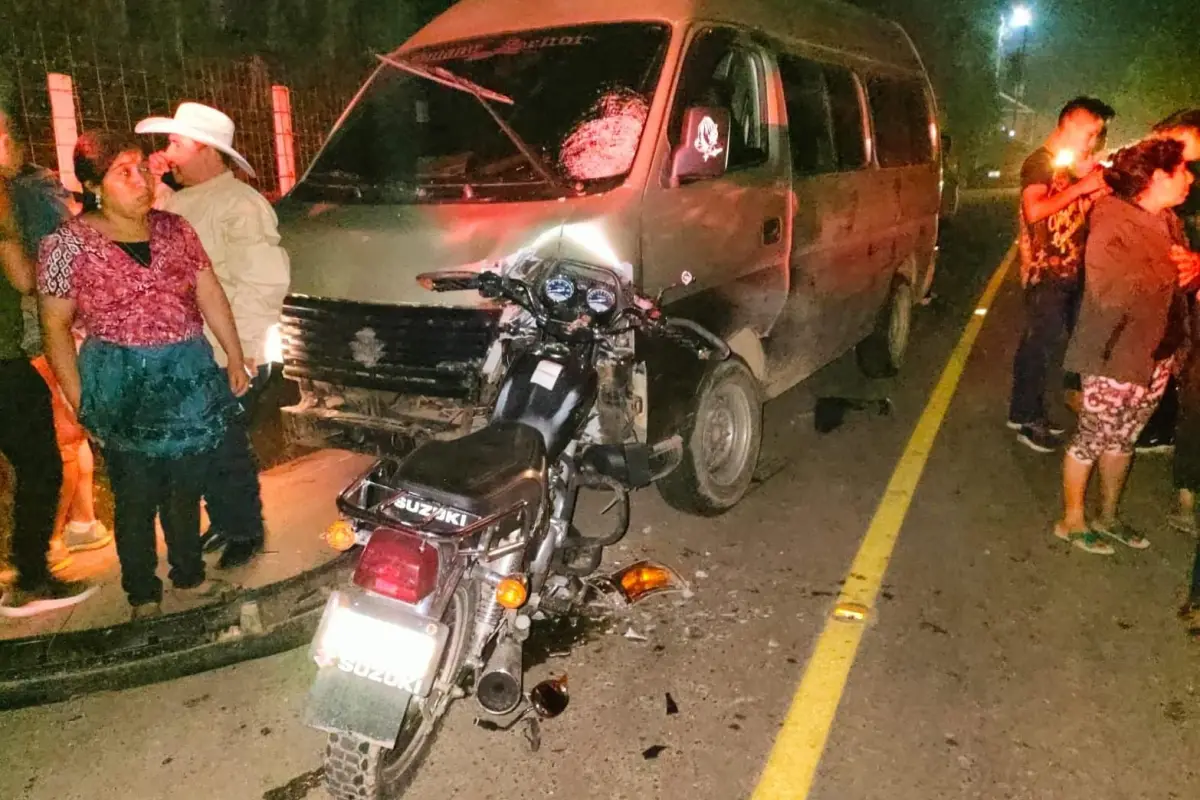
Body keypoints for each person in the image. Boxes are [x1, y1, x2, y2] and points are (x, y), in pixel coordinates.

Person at [37, 131, 250, 619]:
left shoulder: (176, 229)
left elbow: (209, 293)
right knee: (135, 493)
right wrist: (79, 399)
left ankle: (189, 575)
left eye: (143, 168)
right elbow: (54, 325)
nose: (142, 180)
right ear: (93, 185)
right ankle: (141, 592)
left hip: (186, 377)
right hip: (121, 382)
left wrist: (233, 357)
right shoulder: (65, 245)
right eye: (123, 172)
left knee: (184, 485)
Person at [136, 103, 290, 569]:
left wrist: (236, 356)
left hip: (224, 353)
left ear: (203, 148)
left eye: (176, 144)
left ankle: (242, 528)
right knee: (200, 445)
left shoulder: (239, 204)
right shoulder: (179, 201)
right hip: (186, 350)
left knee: (222, 447)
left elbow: (262, 285)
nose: (167, 153)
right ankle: (228, 521)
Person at [1055, 138, 1198, 555]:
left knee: (1124, 439)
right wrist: (1175, 270)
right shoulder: (1112, 218)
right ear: (1156, 178)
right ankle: (1072, 520)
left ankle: (1108, 516)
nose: (1190, 178)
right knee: (1092, 437)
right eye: (1182, 171)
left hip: (1156, 355)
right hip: (1114, 354)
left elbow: (1178, 281)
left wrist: (1189, 273)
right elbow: (1109, 290)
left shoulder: (1168, 219)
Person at [0, 103, 95, 617]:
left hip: (16, 352)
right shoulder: (11, 198)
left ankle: (42, 556)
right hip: (11, 355)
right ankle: (30, 577)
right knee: (42, 459)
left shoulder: (27, 190)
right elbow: (25, 278)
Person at [1010, 96, 1116, 453]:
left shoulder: (1069, 168)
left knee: (1048, 345)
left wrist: (1094, 187)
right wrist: (1081, 187)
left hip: (1072, 273)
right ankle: (1028, 419)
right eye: (1090, 133)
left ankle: (1026, 410)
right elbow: (1035, 210)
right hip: (1046, 272)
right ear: (1069, 123)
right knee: (1043, 345)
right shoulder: (1039, 163)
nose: (1092, 142)